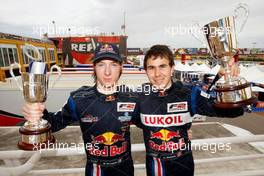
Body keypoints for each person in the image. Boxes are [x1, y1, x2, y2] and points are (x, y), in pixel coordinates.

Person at [22, 43, 139, 176]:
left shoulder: (132, 98)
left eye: (113, 64)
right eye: (101, 65)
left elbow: (149, 123)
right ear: (94, 67)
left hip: (126, 171)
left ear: (121, 67)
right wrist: (36, 114)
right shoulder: (79, 99)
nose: (107, 72)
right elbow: (53, 124)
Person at [137, 45, 243, 176]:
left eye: (162, 66)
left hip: (183, 166)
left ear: (172, 68)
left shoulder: (189, 94)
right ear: (146, 71)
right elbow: (123, 119)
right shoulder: (139, 97)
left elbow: (233, 111)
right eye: (151, 68)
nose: (157, 74)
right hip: (155, 168)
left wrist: (231, 82)